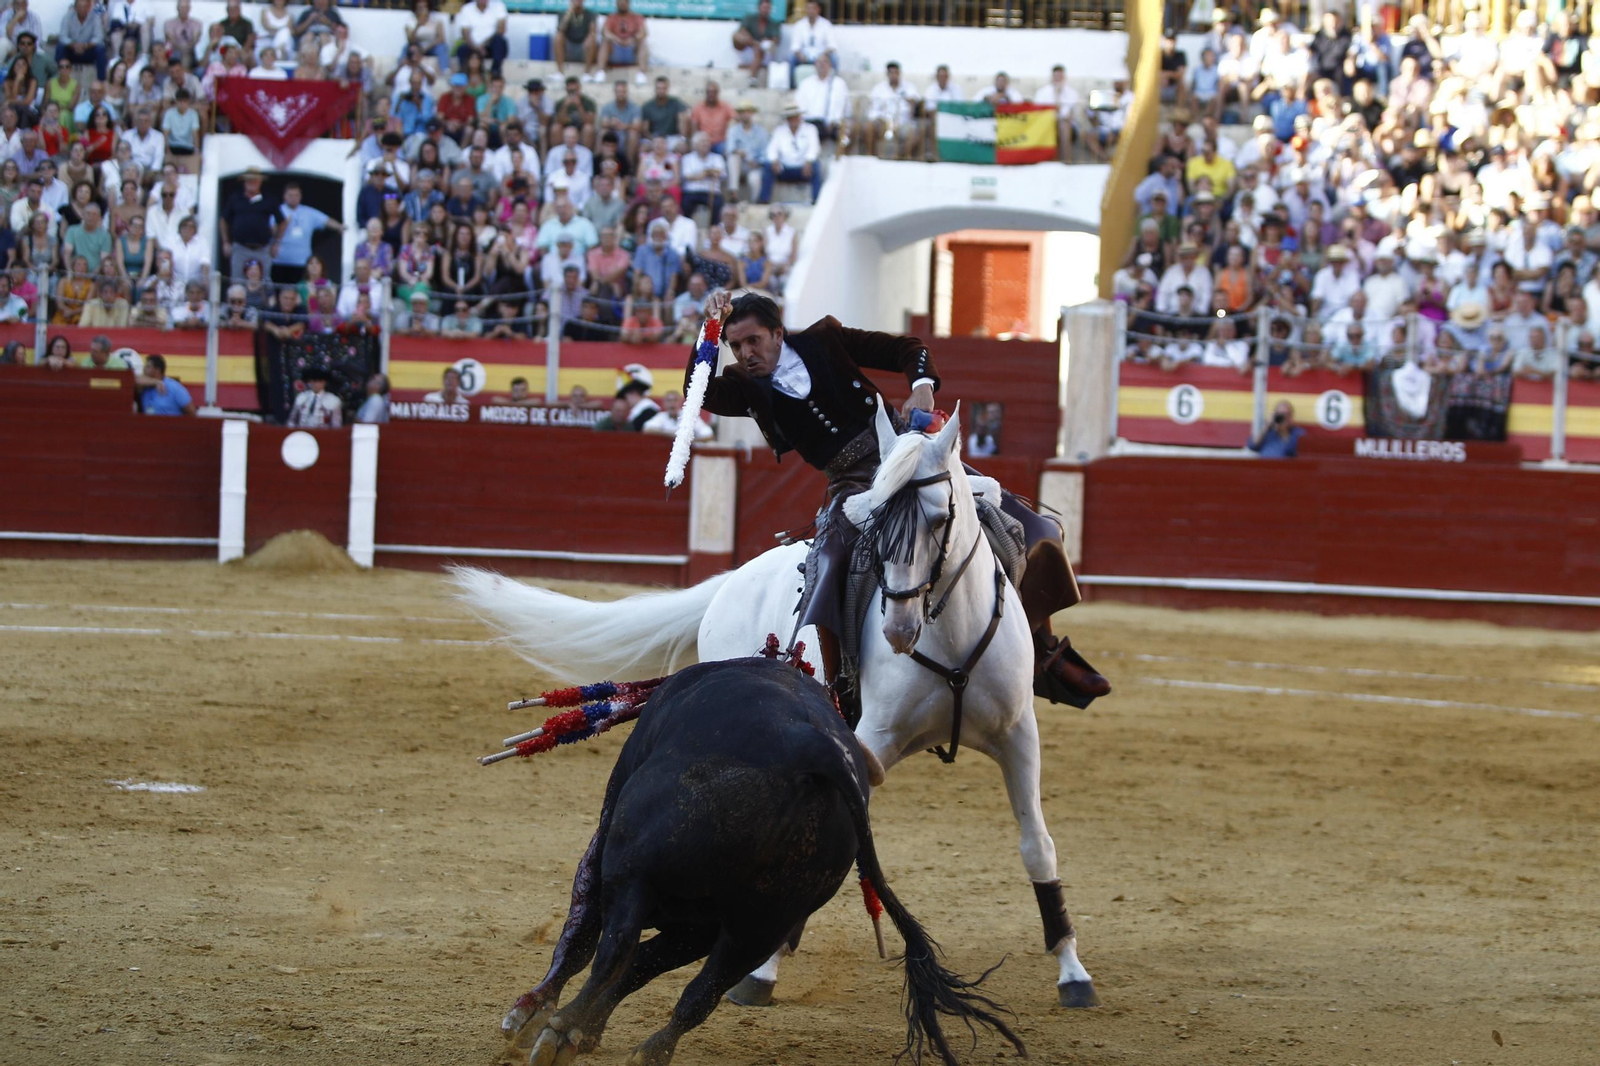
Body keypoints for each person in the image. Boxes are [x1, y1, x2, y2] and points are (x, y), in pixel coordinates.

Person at [696, 290, 1107, 711]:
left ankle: (1043, 651)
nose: (746, 354)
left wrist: (922, 387)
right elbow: (700, 392)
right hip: (853, 486)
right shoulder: (744, 386)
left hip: (910, 456)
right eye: (736, 346)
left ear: (778, 334)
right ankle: (841, 688)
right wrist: (710, 329)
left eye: (753, 341)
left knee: (1035, 529)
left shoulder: (824, 340)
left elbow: (907, 349)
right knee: (828, 567)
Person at [272, 181, 343, 285]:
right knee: (281, 290)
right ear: (284, 196)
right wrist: (281, 225)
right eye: (290, 195)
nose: (293, 198)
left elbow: (326, 220)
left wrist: (340, 227)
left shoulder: (308, 212)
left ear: (300, 196)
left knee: (300, 291)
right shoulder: (277, 211)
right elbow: (269, 231)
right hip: (280, 261)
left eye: (296, 195)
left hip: (302, 262)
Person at [220, 166, 277, 282]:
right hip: (240, 248)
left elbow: (282, 221)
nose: (252, 183)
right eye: (249, 180)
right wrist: (225, 242)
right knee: (237, 282)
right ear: (244, 182)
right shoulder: (235, 198)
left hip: (263, 248)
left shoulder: (269, 199)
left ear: (260, 182)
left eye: (255, 180)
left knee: (265, 282)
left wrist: (277, 242)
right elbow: (223, 220)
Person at [762, 103, 821, 204]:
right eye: (790, 117)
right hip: (784, 168)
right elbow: (771, 149)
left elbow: (814, 147)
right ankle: (764, 199)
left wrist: (808, 161)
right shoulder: (779, 131)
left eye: (795, 116)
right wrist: (774, 160)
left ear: (800, 117)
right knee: (768, 166)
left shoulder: (810, 129)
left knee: (815, 165)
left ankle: (816, 199)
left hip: (803, 168)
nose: (793, 120)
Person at [597, 0, 648, 85]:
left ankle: (642, 73)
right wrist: (615, 38)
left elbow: (643, 32)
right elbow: (605, 32)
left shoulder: (637, 17)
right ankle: (600, 72)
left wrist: (632, 39)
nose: (622, 4)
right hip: (616, 50)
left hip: (631, 50)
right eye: (620, 2)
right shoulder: (612, 17)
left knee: (642, 42)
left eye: (624, 2)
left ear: (628, 3)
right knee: (605, 41)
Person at [731, 0, 780, 87]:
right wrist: (753, 41)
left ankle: (752, 77)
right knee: (736, 36)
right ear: (759, 8)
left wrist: (766, 42)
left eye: (767, 8)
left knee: (759, 49)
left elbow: (776, 40)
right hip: (748, 44)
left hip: (762, 48)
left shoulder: (774, 23)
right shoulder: (750, 18)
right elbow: (742, 31)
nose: (765, 10)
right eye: (764, 7)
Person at [554, 0, 598, 82]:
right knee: (558, 36)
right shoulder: (563, 13)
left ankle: (587, 74)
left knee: (591, 39)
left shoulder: (590, 14)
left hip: (584, 46)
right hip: (569, 47)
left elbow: (593, 31)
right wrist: (569, 12)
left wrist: (589, 38)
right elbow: (561, 29)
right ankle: (560, 73)